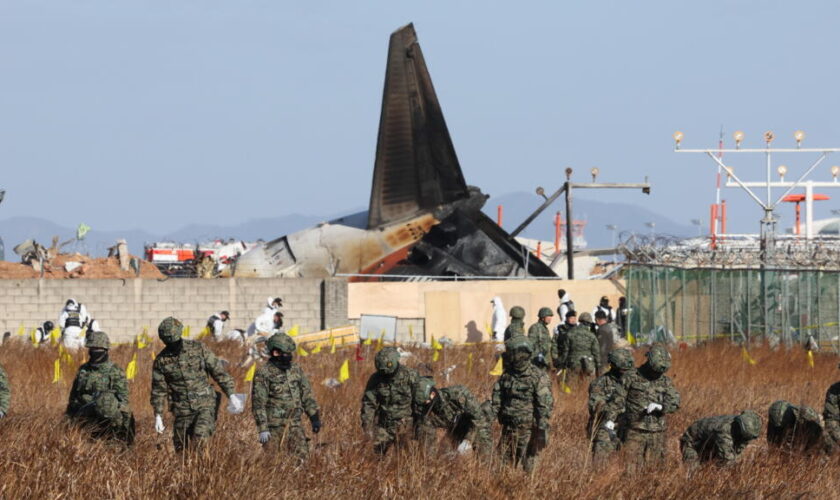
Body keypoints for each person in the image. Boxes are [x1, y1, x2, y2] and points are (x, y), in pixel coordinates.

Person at [151, 316, 241, 452]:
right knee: (182, 449)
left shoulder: (198, 348)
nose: (173, 345)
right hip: (182, 410)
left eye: (175, 341)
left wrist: (231, 394)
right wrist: (158, 415)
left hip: (205, 404)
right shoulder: (161, 361)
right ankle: (189, 473)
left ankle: (205, 470)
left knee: (200, 439)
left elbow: (217, 371)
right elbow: (158, 390)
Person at [252, 333, 321, 461]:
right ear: (276, 353)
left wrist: (314, 417)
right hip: (274, 428)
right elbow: (258, 404)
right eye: (286, 353)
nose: (289, 357)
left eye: (291, 353)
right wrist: (263, 428)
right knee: (273, 463)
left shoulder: (295, 370)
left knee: (302, 460)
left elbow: (306, 395)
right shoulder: (264, 373)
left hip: (295, 425)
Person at [491, 336, 553, 472]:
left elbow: (545, 407)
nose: (507, 356)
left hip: (529, 431)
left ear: (521, 354)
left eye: (511, 352)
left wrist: (541, 432)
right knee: (501, 467)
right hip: (508, 429)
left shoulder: (538, 377)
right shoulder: (507, 375)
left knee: (529, 469)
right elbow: (497, 400)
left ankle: (528, 493)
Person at [66, 331, 135, 445]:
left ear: (106, 350)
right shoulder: (83, 370)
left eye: (98, 349)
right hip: (86, 416)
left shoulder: (115, 371)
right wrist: (69, 420)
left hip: (108, 417)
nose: (95, 352)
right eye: (92, 348)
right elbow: (73, 398)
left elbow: (123, 400)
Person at [621, 344, 680, 470]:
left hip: (658, 432)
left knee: (656, 470)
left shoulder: (665, 381)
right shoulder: (631, 377)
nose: (657, 374)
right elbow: (617, 401)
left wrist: (661, 406)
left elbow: (675, 402)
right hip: (635, 431)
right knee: (631, 470)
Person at [361, 346, 421, 455]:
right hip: (384, 426)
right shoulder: (376, 379)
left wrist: (418, 426)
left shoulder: (410, 376)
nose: (385, 375)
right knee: (372, 454)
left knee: (404, 458)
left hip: (405, 426)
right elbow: (369, 404)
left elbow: (419, 402)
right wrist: (368, 428)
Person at [414, 377, 492, 456]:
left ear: (433, 394)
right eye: (423, 403)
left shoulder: (458, 394)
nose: (426, 404)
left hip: (474, 426)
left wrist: (468, 440)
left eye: (427, 400)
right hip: (456, 430)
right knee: (450, 456)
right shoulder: (427, 412)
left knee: (484, 453)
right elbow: (427, 437)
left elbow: (479, 419)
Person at [587, 348, 635, 465]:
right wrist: (615, 408)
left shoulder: (636, 381)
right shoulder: (600, 383)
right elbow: (595, 407)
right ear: (613, 366)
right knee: (601, 456)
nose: (625, 373)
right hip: (607, 425)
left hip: (630, 424)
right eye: (622, 370)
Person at [680, 411, 762, 466]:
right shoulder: (725, 430)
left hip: (711, 443)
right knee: (693, 471)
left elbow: (737, 452)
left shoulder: (743, 430)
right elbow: (726, 460)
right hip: (692, 443)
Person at [556, 312, 600, 378]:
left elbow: (565, 352)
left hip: (573, 364)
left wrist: (560, 363)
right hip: (588, 365)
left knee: (573, 385)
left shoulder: (570, 333)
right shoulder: (592, 336)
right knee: (586, 385)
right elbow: (596, 353)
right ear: (589, 323)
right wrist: (598, 366)